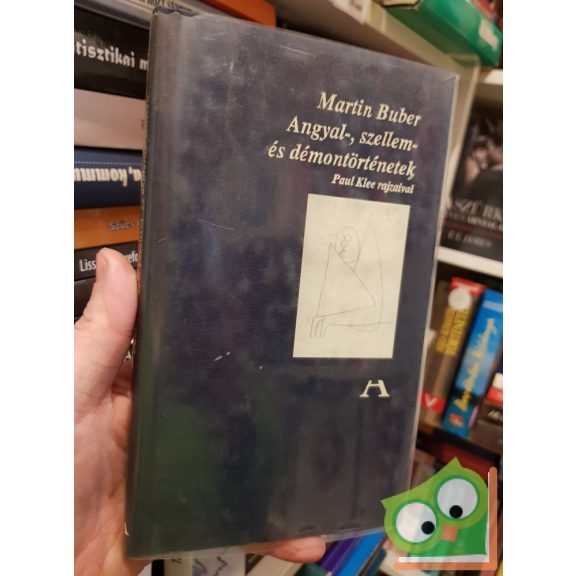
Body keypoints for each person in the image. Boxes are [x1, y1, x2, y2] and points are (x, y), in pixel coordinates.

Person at [74, 248, 326, 576]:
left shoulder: (264, 401)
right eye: (214, 313)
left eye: (237, 312)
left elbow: (270, 484)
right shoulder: (158, 416)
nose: (229, 329)